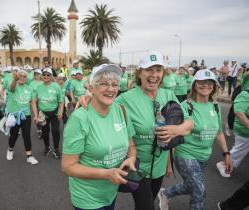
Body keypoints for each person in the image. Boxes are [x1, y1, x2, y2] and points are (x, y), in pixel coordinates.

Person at [79, 51, 194, 210]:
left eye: (158, 70)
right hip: (137, 166)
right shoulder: (125, 99)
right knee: (146, 206)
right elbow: (105, 104)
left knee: (149, 201)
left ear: (163, 73)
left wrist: (177, 129)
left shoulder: (168, 94)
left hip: (159, 167)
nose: (154, 74)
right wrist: (90, 97)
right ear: (140, 73)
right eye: (149, 70)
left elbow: (189, 123)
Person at [62, 64, 137, 210]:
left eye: (114, 84)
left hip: (110, 192)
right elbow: (68, 167)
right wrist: (105, 173)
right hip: (87, 197)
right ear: (91, 88)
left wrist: (131, 158)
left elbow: (132, 146)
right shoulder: (79, 118)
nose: (110, 89)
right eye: (103, 83)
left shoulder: (121, 110)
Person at [159, 69, 233, 210]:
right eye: (201, 82)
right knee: (199, 190)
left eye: (210, 82)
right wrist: (169, 164)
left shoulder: (215, 106)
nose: (206, 85)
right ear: (194, 85)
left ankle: (166, 193)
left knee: (191, 186)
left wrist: (226, 154)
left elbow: (219, 133)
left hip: (204, 155)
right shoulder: (184, 106)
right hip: (185, 153)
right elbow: (172, 134)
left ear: (214, 86)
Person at [5, 69, 39, 165]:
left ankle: (29, 156)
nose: (22, 78)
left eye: (24, 76)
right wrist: (14, 80)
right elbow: (11, 88)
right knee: (14, 135)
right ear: (17, 77)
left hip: (26, 115)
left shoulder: (29, 88)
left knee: (26, 135)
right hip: (14, 115)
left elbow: (32, 103)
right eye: (20, 76)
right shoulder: (13, 85)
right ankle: (10, 149)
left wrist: (35, 115)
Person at [216, 88, 249, 178]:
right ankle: (223, 164)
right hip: (244, 131)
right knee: (240, 150)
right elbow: (239, 112)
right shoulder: (245, 94)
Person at [34, 68, 64, 159]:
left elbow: (61, 101)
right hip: (43, 114)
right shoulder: (38, 87)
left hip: (54, 113)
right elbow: (34, 101)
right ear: (41, 76)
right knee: (45, 132)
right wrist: (35, 115)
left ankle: (56, 149)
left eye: (48, 75)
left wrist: (60, 112)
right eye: (44, 74)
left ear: (51, 76)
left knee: (56, 131)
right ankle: (47, 147)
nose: (45, 76)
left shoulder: (56, 86)